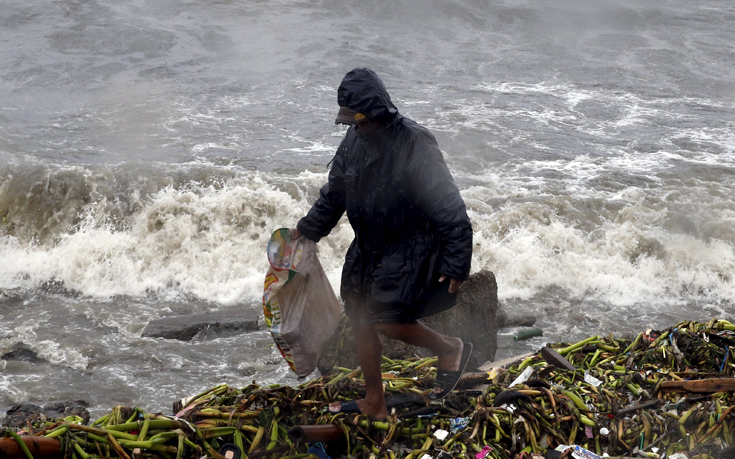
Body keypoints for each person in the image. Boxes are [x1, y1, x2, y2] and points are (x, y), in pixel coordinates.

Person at [292, 68, 473, 420]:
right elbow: (336, 194)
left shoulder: (415, 142)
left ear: (378, 111)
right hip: (369, 244)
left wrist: (456, 260)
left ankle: (450, 348)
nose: (356, 128)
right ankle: (374, 400)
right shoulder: (353, 141)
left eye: (361, 121)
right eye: (351, 123)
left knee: (385, 319)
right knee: (359, 316)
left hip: (411, 244)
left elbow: (447, 203)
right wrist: (308, 229)